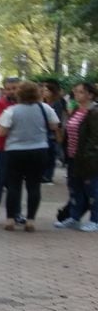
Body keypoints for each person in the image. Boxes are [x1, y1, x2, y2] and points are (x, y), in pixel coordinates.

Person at [0, 81, 59, 232]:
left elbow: (1, 132)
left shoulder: (12, 110)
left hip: (15, 151)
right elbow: (54, 126)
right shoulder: (45, 109)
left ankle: (10, 219)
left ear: (19, 94)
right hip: (39, 150)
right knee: (34, 186)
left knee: (13, 186)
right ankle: (30, 220)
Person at [57, 82, 98, 231]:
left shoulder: (94, 112)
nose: (76, 94)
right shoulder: (76, 110)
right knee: (75, 188)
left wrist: (89, 155)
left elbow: (94, 137)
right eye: (76, 91)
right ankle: (74, 217)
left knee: (92, 189)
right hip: (73, 156)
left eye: (80, 92)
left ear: (90, 94)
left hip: (87, 159)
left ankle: (95, 219)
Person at [0, 78, 20, 224]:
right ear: (4, 90)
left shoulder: (23, 104)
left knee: (16, 183)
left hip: (18, 148)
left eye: (14, 88)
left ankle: (15, 213)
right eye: (8, 88)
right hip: (2, 148)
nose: (11, 91)